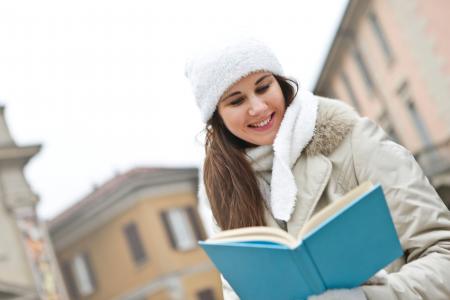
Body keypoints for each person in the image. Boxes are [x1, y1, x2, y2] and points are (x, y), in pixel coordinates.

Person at [185, 38, 450, 300]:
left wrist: (367, 297)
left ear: (280, 84)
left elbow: (442, 252)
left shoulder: (354, 141)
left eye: (263, 87)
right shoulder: (224, 193)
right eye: (236, 101)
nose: (258, 107)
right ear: (216, 117)